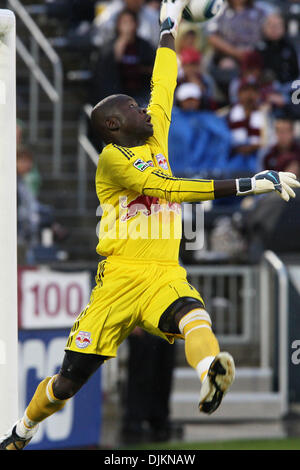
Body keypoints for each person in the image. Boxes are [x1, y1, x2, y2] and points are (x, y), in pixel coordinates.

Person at [1, 0, 299, 451]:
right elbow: (171, 189)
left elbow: (164, 80)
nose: (144, 109)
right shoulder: (112, 160)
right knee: (67, 382)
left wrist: (168, 25)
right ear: (114, 123)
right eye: (132, 107)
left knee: (194, 316)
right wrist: (249, 184)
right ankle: (23, 430)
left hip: (163, 270)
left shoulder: (153, 129)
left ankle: (210, 371)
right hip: (119, 280)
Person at [90, 8, 155, 106]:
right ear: (118, 25)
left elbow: (152, 68)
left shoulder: (144, 45)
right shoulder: (110, 45)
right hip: (116, 93)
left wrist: (139, 69)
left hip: (141, 93)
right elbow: (108, 66)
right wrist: (123, 39)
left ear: (136, 24)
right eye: (124, 22)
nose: (127, 26)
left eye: (130, 22)